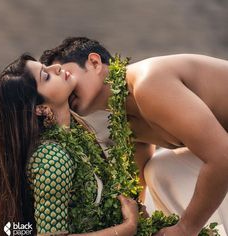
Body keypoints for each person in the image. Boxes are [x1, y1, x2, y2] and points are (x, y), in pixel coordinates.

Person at [40, 37, 228, 236]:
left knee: (162, 170)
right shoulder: (127, 120)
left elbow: (222, 156)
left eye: (66, 75)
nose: (65, 88)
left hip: (223, 154)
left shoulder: (148, 83)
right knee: (157, 170)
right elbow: (135, 191)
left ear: (94, 63)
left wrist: (186, 228)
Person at [0, 54, 139, 236]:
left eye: (46, 66)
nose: (57, 68)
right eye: (46, 76)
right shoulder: (53, 158)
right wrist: (128, 227)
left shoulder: (77, 134)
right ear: (40, 108)